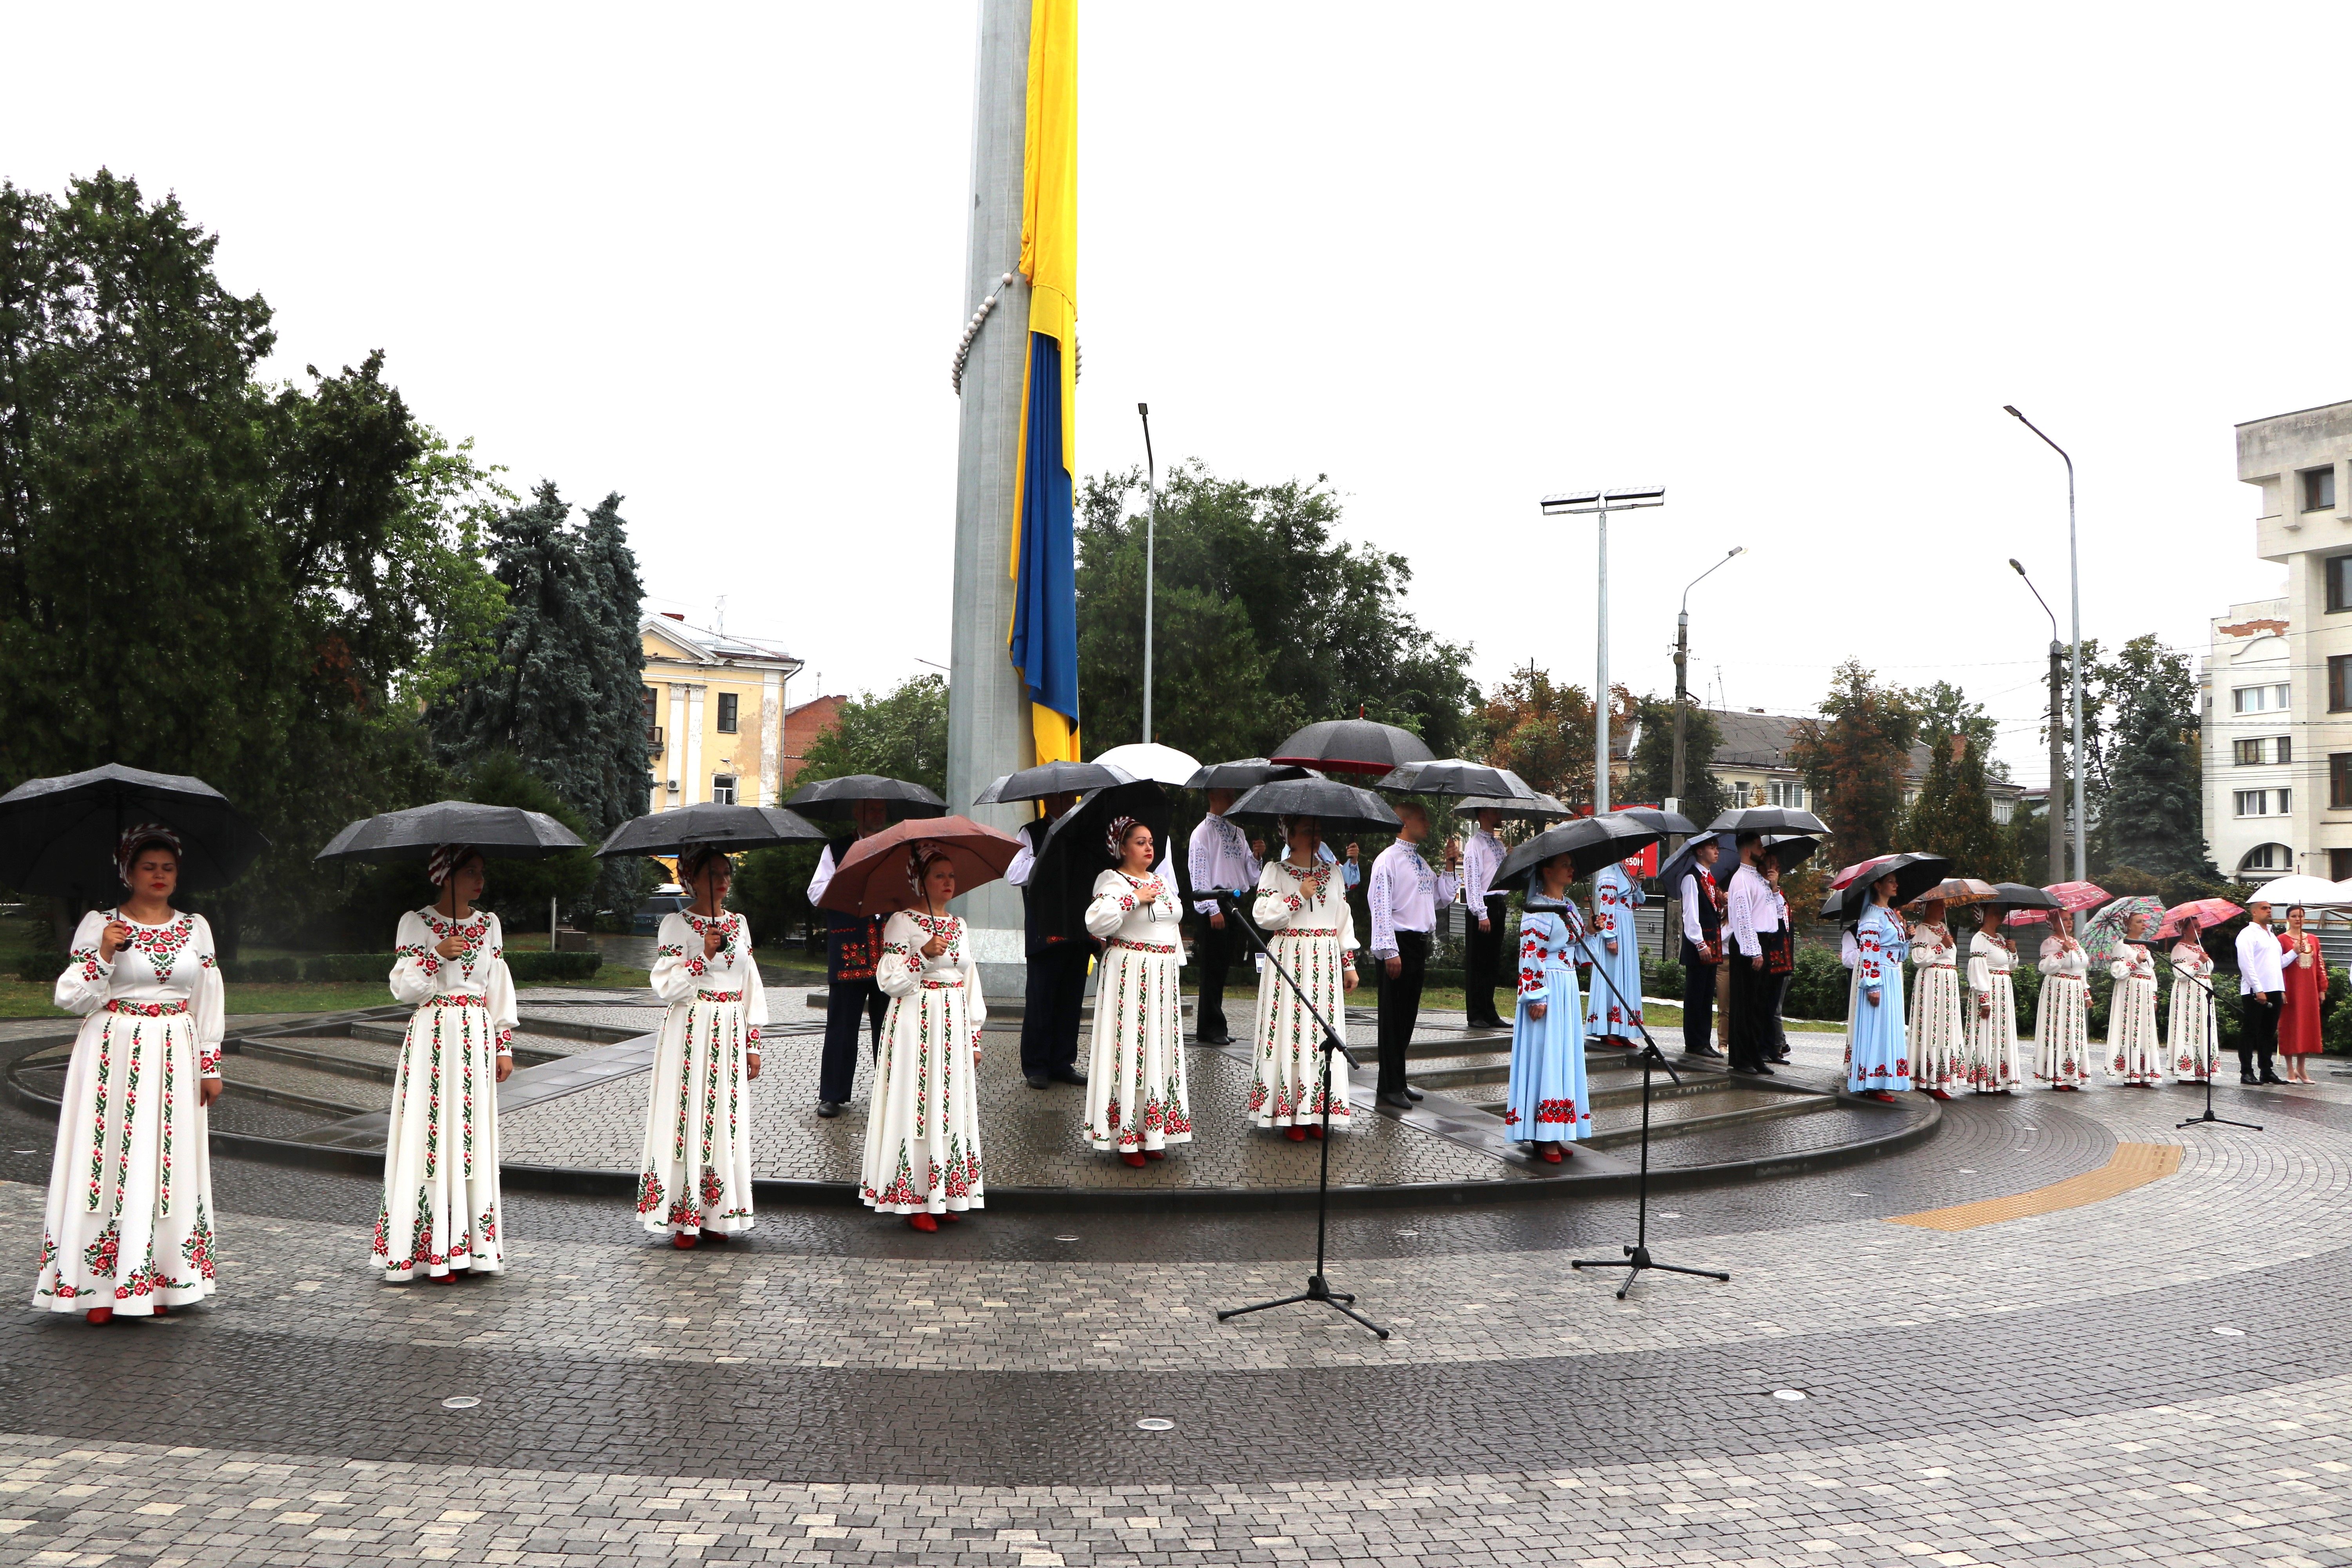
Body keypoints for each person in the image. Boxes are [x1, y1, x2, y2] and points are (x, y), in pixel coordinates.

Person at [35, 826, 224, 1322]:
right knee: (108, 1161)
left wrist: (209, 1063)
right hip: (112, 1053)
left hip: (177, 1052)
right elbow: (71, 998)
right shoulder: (101, 924)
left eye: (168, 868)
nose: (160, 876)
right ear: (128, 872)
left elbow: (208, 996)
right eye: (148, 867)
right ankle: (99, 1289)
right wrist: (103, 954)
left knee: (166, 1162)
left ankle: (160, 1281)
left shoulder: (195, 928)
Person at [377, 844, 519, 1282]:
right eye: (470, 871)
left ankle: (470, 1247)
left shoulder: (489, 925)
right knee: (431, 1132)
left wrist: (504, 1044)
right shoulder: (416, 923)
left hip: (476, 1034)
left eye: (481, 871)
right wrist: (436, 954)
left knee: (470, 1135)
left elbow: (497, 984)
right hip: (433, 1033)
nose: (480, 880)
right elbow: (405, 990)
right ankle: (431, 1247)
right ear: (445, 875)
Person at [637, 846, 766, 1247]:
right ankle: (683, 1216)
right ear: (691, 879)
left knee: (725, 1117)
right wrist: (703, 957)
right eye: (713, 873)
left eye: (726, 872)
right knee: (688, 1116)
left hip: (731, 1028)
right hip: (691, 1027)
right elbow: (666, 987)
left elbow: (750, 982)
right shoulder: (677, 924)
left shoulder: (739, 923)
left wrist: (753, 1042)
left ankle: (716, 1213)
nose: (723, 880)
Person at [862, 844, 986, 1230]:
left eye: (951, 876)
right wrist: (923, 956)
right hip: (915, 1021)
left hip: (953, 1021)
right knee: (916, 1104)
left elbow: (969, 980)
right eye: (939, 876)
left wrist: (974, 1034)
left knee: (949, 1106)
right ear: (920, 881)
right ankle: (913, 1198)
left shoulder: (960, 925)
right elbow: (889, 982)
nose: (948, 882)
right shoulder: (902, 923)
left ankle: (942, 1193)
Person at [1083, 818, 1191, 1166]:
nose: (1149, 848)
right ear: (1122, 847)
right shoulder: (1111, 880)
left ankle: (1152, 1132)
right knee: (1130, 1049)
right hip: (1130, 973)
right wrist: (1132, 898)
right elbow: (1096, 922)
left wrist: (1174, 966)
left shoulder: (1161, 881)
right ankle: (1126, 1136)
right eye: (1140, 842)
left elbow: (1171, 924)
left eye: (1151, 842)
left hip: (1162, 976)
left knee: (1158, 1051)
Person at [1249, 815, 1360, 1139]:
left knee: (1320, 1034)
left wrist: (1349, 963)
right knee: (1291, 1031)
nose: (1314, 836)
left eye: (1318, 830)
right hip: (1290, 957)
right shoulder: (1276, 871)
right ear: (1290, 836)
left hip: (1325, 962)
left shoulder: (1334, 872)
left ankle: (1315, 1111)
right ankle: (1290, 1113)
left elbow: (1342, 918)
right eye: (1307, 831)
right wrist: (1298, 896)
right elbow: (1263, 916)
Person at [1368, 802, 1460, 1110]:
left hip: (1418, 944)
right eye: (1422, 818)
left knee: (1407, 1015)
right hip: (1398, 943)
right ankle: (1388, 1085)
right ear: (1404, 822)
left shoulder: (1420, 861)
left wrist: (1450, 865)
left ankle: (1399, 1079)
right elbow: (1380, 906)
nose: (1428, 824)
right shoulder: (1388, 860)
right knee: (1392, 1017)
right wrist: (1389, 950)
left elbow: (1441, 897)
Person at [1506, 855, 1591, 1162]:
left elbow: (1576, 949)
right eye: (1565, 864)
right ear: (1547, 871)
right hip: (1547, 989)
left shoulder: (1569, 907)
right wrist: (1536, 996)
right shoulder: (1537, 909)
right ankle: (1543, 1134)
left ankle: (1556, 1130)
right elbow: (1530, 952)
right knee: (1547, 1056)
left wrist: (1591, 930)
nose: (1571, 869)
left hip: (1567, 986)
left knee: (1563, 1056)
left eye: (1572, 864)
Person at [810, 798, 888, 1118]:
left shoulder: (897, 846)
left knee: (890, 1027)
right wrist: (849, 876)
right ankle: (833, 1095)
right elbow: (816, 893)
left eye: (881, 810)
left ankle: (891, 1094)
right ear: (857, 813)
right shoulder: (836, 849)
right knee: (842, 1026)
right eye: (871, 810)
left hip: (890, 952)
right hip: (850, 951)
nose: (877, 815)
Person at [1008, 791, 1089, 1093]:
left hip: (1078, 931)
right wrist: (1048, 855)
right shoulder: (1031, 833)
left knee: (1071, 1001)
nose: (1069, 801)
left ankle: (1063, 1062)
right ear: (1047, 800)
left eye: (1071, 796)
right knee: (1041, 1001)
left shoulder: (1083, 832)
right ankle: (1037, 1065)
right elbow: (1014, 873)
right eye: (1062, 797)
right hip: (1045, 931)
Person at [1186, 788, 1260, 1046]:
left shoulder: (1238, 833)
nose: (1232, 800)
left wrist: (1257, 857)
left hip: (1234, 901)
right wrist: (1212, 908)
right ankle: (1211, 1026)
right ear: (1213, 796)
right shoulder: (1202, 833)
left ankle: (1214, 1024)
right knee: (1212, 966)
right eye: (1227, 795)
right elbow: (1199, 875)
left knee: (1223, 965)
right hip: (1214, 901)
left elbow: (1251, 877)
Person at [1840, 870, 1911, 1102]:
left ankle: (1883, 1079)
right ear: (1878, 886)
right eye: (1891, 882)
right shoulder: (1872, 916)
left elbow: (1899, 954)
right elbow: (1869, 952)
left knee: (1889, 1026)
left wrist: (1907, 937)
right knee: (1878, 1027)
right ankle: (1873, 1081)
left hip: (1892, 976)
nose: (1896, 885)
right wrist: (1873, 985)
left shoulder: (1890, 913)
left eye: (1896, 881)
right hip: (1880, 976)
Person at [1724, 833, 1780, 1076]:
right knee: (1745, 1003)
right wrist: (1754, 951)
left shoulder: (1758, 877)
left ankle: (1755, 1054)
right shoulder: (1740, 880)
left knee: (1758, 1004)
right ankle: (1742, 1058)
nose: (1763, 850)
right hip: (1749, 944)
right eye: (1759, 846)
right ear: (1747, 850)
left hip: (1763, 941)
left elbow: (1775, 913)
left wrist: (1774, 887)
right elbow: (1742, 918)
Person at [1906, 898, 1964, 1100]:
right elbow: (1919, 959)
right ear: (1927, 907)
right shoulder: (1922, 930)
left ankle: (1940, 1077)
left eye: (1943, 905)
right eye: (1938, 905)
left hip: (1947, 984)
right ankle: (1927, 1078)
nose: (1943, 909)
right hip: (1932, 982)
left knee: (1945, 1030)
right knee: (1931, 1028)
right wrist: (1941, 946)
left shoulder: (1944, 928)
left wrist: (1946, 943)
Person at [1670, 838, 1722, 1058]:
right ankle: (1693, 1042)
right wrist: (1700, 943)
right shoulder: (1692, 878)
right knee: (1696, 994)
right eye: (1712, 848)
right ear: (1700, 851)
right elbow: (1690, 914)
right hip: (1699, 946)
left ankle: (1704, 1040)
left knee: (1707, 996)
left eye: (1717, 848)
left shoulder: (1710, 880)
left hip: (1712, 944)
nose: (1716, 852)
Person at [1963, 905, 2022, 1094]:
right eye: (1995, 912)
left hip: (2004, 992)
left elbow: (2011, 967)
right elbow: (1977, 970)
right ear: (1984, 915)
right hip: (1990, 990)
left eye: (2001, 913)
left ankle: (2001, 1080)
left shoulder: (2001, 939)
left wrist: (2013, 951)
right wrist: (1984, 999)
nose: (1999, 916)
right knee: (1987, 1033)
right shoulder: (1979, 939)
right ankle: (1985, 1080)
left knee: (2002, 1035)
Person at [1461, 808, 1510, 1029]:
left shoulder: (1499, 845)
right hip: (1483, 904)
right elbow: (1472, 880)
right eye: (1494, 812)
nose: (1500, 815)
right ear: (1483, 815)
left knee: (1492, 961)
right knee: (1478, 962)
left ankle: (1489, 1011)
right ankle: (1476, 1013)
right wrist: (1481, 912)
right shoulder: (1475, 845)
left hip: (1498, 903)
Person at [2105, 912, 2163, 1088]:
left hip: (2145, 991)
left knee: (2144, 1031)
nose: (2143, 924)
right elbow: (2117, 971)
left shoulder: (2145, 947)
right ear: (2129, 925)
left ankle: (2144, 1072)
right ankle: (2130, 1072)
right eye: (2139, 922)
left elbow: (2150, 972)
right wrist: (2135, 962)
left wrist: (2154, 996)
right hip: (2130, 990)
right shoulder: (2122, 945)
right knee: (2131, 1028)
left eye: (2144, 921)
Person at [2034, 922, 2092, 1090]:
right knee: (2060, 1030)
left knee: (2074, 1032)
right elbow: (2045, 968)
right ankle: (2058, 1075)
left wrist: (2086, 994)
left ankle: (2071, 1075)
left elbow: (2080, 970)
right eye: (2065, 919)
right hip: (2059, 990)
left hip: (2075, 991)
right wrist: (2063, 952)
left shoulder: (2075, 942)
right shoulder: (2050, 943)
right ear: (2055, 923)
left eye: (2070, 919)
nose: (2069, 923)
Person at [2236, 898, 2288, 1086]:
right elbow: (2246, 964)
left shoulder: (2272, 935)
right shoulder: (2247, 934)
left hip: (2274, 988)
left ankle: (2266, 1070)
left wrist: (2294, 953)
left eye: (2270, 908)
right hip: (2255, 990)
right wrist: (2258, 989)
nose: (2269, 911)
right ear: (2254, 912)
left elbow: (2277, 963)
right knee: (2250, 1031)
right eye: (2264, 908)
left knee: (2268, 1031)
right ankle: (2246, 1072)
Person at [2278, 905, 2327, 1084]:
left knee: (2307, 1027)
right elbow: (2278, 967)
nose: (2298, 919)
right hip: (2291, 989)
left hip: (2309, 990)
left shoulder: (2313, 939)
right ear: (2287, 919)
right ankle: (2290, 1068)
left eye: (2301, 916)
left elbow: (2320, 965)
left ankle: (2301, 1068)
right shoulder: (2281, 940)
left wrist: (2322, 988)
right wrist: (2281, 989)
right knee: (2290, 1026)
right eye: (2294, 916)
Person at [2168, 926, 2220, 1085]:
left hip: (2204, 992)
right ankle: (2186, 1071)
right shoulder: (2179, 949)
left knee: (2204, 1028)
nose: (2199, 929)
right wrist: (2199, 962)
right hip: (2188, 992)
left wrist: (2203, 960)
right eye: (2195, 927)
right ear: (2184, 930)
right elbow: (2180, 974)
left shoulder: (2199, 947)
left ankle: (2202, 1071)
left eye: (2200, 926)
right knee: (2188, 1028)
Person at [1759, 851, 1797, 1063]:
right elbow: (1770, 920)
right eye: (1771, 864)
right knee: (1767, 1007)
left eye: (1778, 866)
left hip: (1783, 959)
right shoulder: (1763, 893)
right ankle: (1766, 1048)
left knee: (1774, 1005)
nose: (1776, 869)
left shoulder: (1781, 896)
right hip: (1769, 957)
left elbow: (1786, 927)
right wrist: (1772, 890)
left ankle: (1774, 1049)